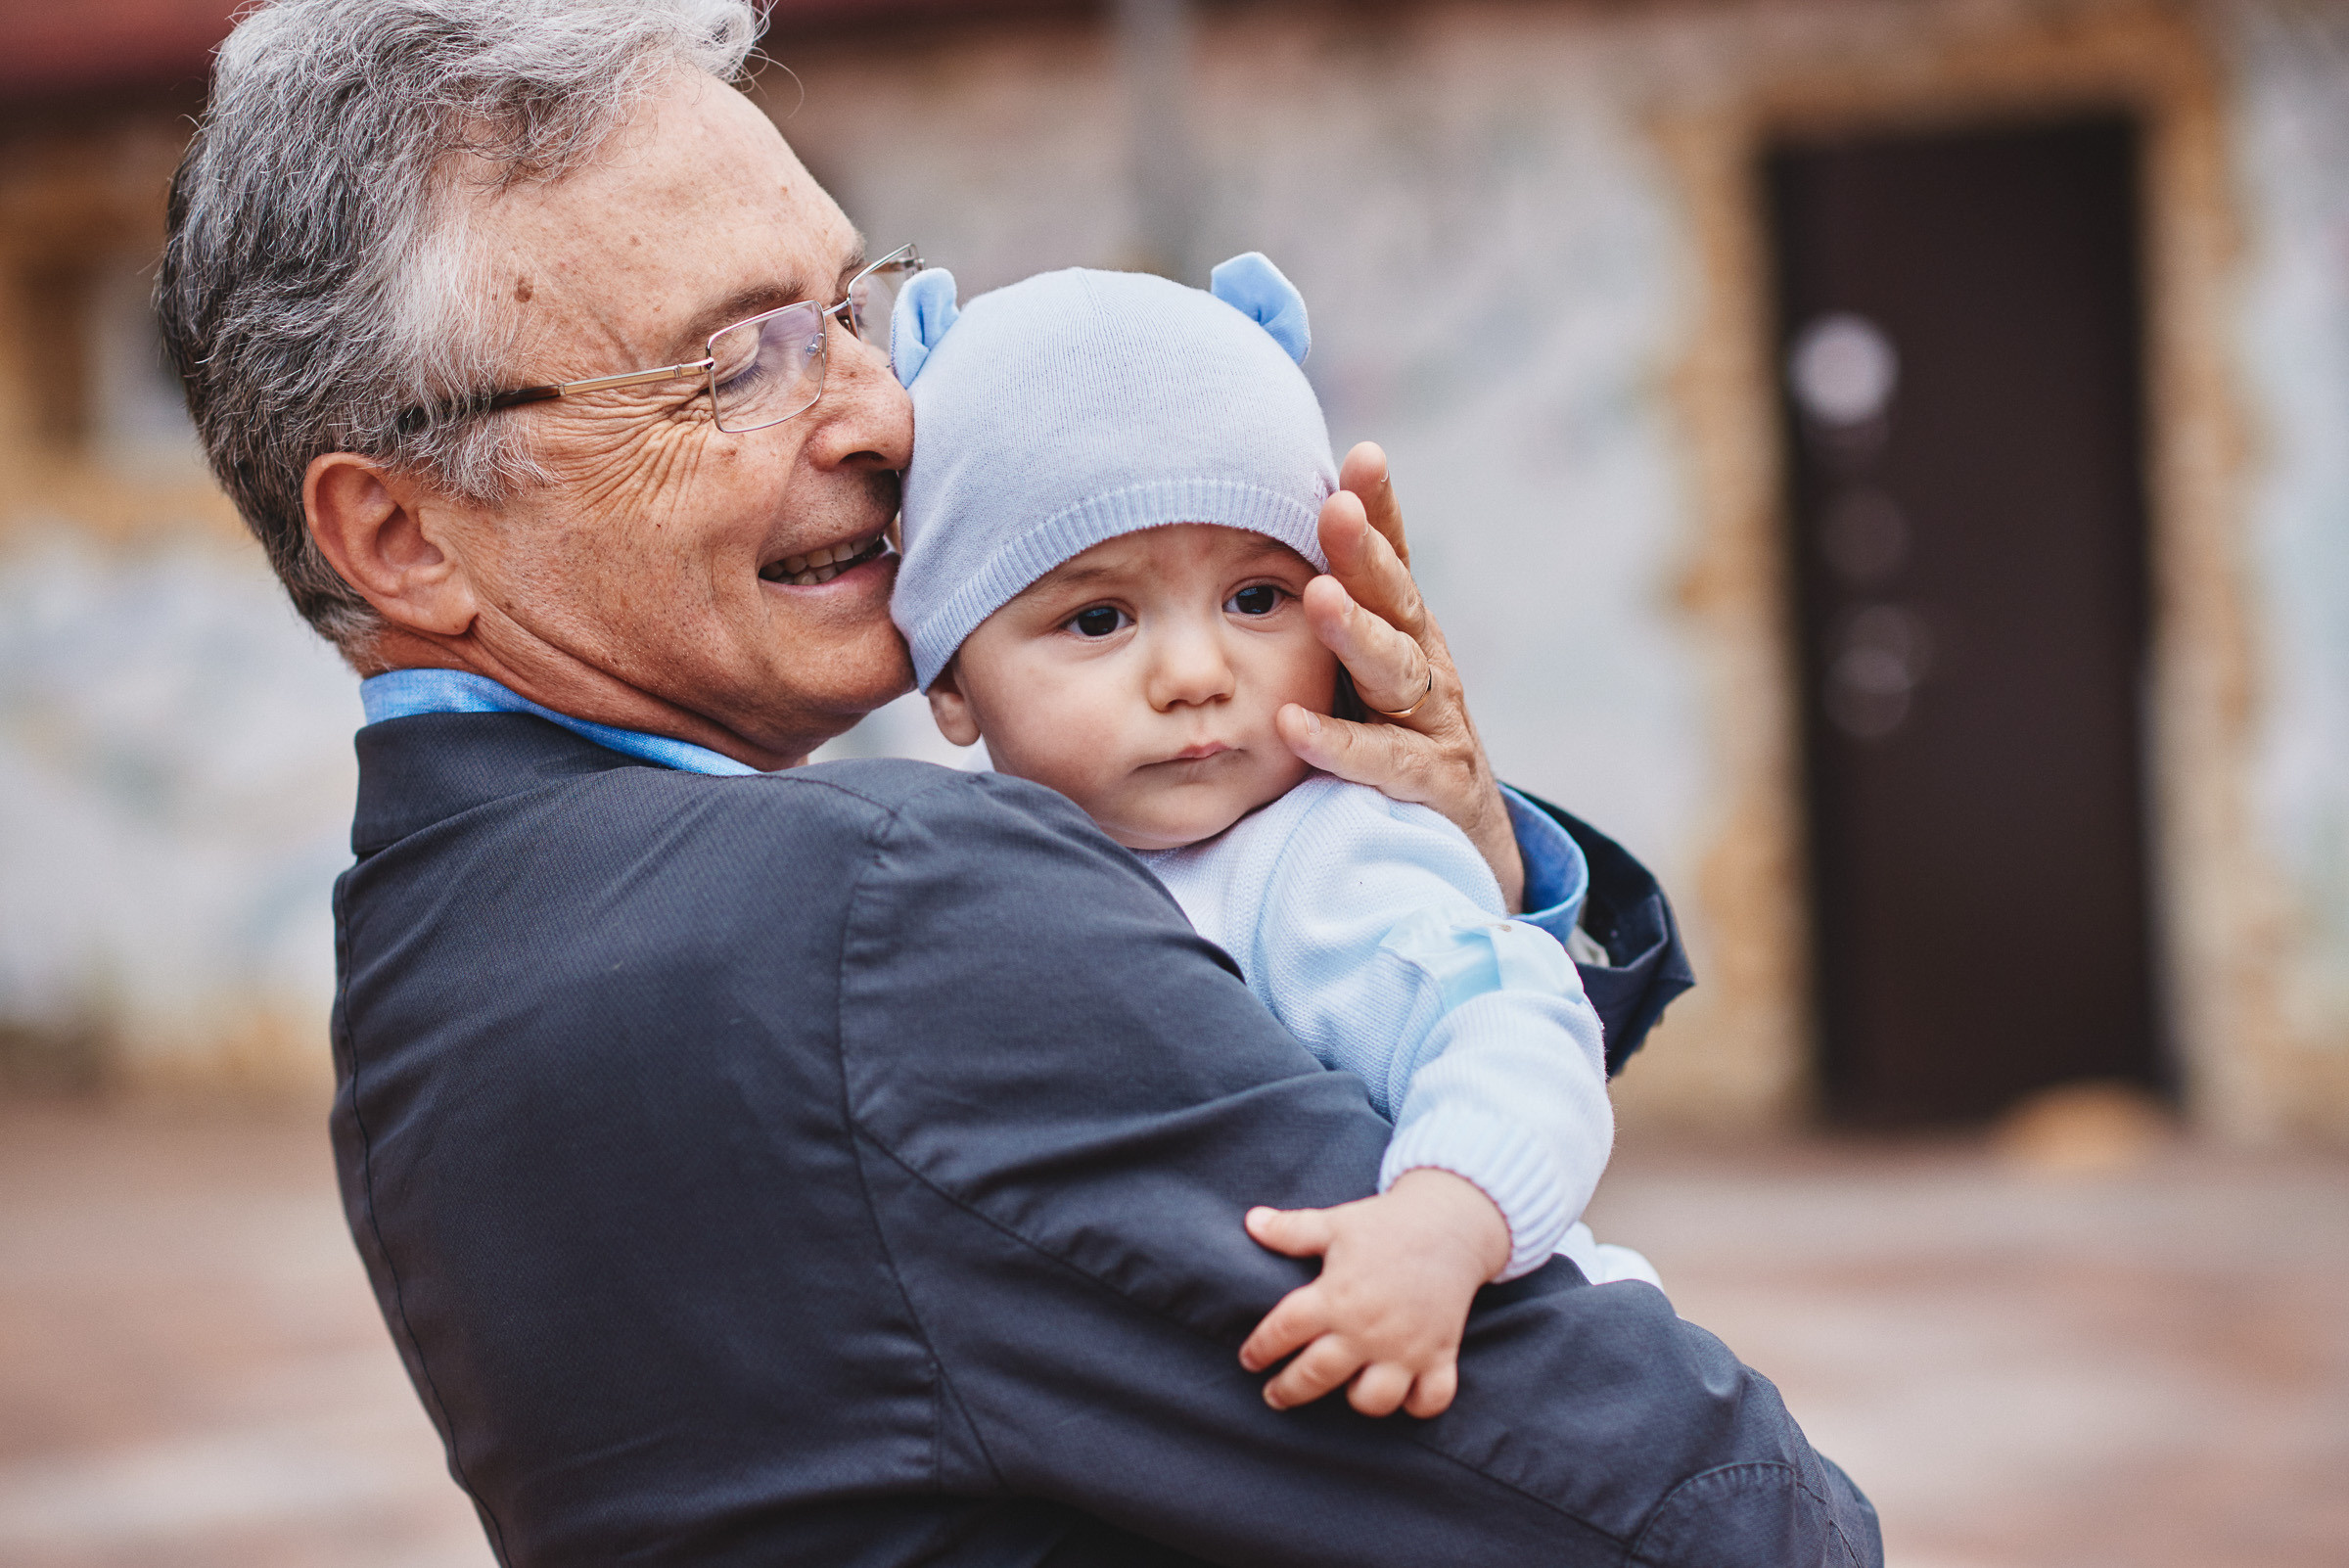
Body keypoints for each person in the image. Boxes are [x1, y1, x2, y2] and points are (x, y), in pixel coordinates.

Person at [155, 1, 1880, 1563]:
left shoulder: (426, 967)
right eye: (734, 359)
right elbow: (1729, 1519)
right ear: (401, 533)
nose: (879, 418)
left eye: (849, 313)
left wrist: (1440, 866)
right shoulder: (884, 910)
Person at [890, 255, 1662, 1423]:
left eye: (1257, 599)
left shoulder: (1325, 858)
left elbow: (1515, 1022)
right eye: (1098, 618)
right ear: (952, 683)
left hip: (1514, 1397)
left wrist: (1444, 1223)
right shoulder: (953, 876)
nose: (1197, 675)